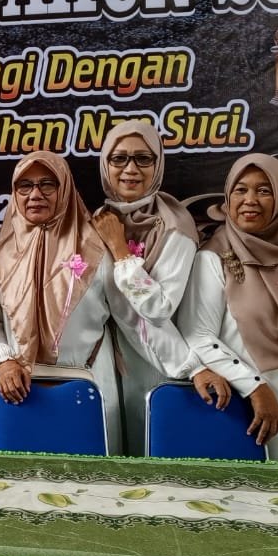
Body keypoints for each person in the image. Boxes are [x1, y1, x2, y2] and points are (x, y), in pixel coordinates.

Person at [178, 155, 278, 459]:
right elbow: (198, 336)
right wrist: (256, 388)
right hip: (254, 403)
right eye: (240, 190)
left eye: (264, 190)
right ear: (227, 198)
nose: (250, 200)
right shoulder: (213, 258)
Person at [0, 151, 125, 451]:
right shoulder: (3, 251)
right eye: (25, 186)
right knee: (26, 476)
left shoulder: (95, 246)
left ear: (65, 189)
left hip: (89, 384)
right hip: (21, 389)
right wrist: (3, 360)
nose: (35, 195)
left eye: (47, 184)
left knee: (92, 473)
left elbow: (130, 320)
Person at [91, 120, 199, 455]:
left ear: (158, 164)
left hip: (158, 368)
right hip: (105, 370)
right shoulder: (100, 218)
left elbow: (158, 308)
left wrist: (119, 249)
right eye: (119, 158)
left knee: (155, 459)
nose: (130, 169)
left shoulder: (174, 227)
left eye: (143, 158)